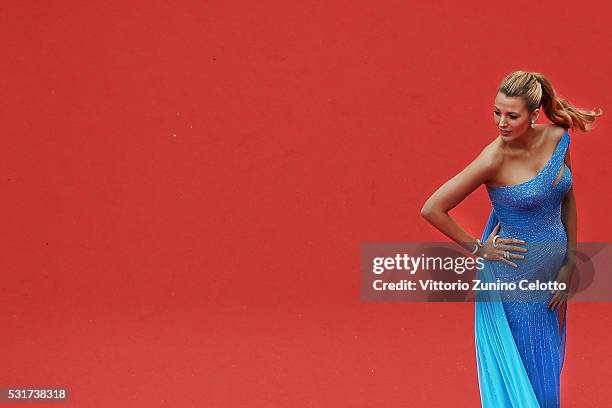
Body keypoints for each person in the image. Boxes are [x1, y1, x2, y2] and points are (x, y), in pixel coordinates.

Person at [420, 70, 603, 407]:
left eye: (512, 115)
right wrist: (478, 247)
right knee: (524, 379)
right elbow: (433, 208)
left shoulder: (559, 138)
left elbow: (568, 199)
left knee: (547, 375)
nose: (501, 122)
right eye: (497, 112)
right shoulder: (494, 158)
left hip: (550, 282)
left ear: (534, 115)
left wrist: (568, 265)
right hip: (512, 286)